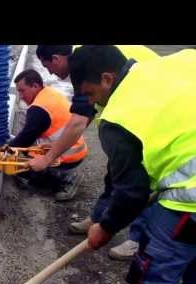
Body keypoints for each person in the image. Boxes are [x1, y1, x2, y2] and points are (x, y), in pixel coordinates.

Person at [69, 45, 196, 284]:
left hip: (187, 208)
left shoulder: (118, 116)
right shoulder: (185, 60)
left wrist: (104, 228)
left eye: (90, 94)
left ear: (107, 78)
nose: (93, 104)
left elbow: (132, 191)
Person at [31, 45, 159, 260]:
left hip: (149, 120)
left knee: (144, 178)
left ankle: (137, 238)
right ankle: (99, 218)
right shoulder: (87, 58)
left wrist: (48, 158)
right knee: (115, 172)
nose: (51, 73)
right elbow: (85, 113)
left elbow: (78, 122)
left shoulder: (88, 65)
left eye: (48, 67)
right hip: (138, 111)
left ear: (56, 58)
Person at [9, 69, 87, 201]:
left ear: (35, 86)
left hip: (69, 156)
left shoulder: (39, 109)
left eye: (22, 90)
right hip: (74, 148)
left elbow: (24, 140)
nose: (21, 96)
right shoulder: (47, 93)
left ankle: (66, 179)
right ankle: (57, 175)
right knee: (27, 153)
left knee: (27, 169)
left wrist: (5, 150)